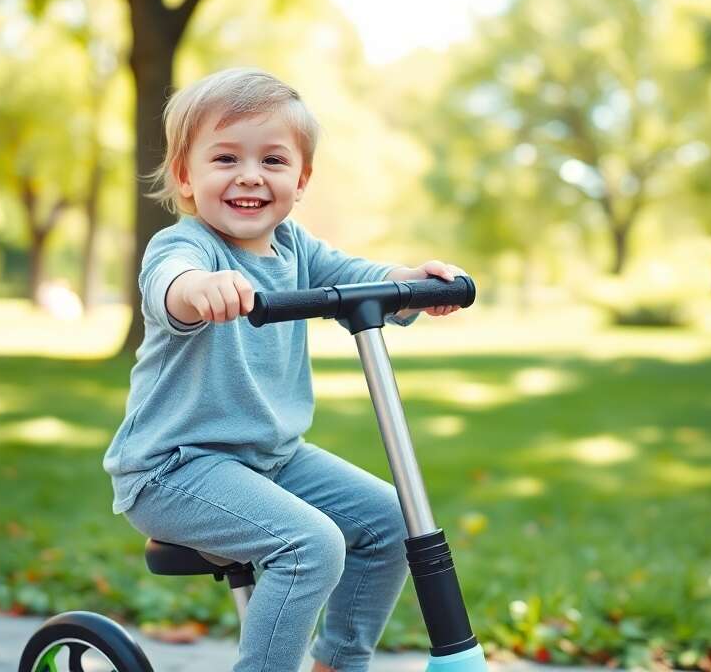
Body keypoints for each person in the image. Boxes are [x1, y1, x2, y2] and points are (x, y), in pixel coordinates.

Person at [103, 67, 465, 672]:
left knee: (390, 519)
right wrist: (199, 290)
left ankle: (338, 664)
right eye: (226, 158)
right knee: (312, 545)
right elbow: (170, 285)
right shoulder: (186, 248)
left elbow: (357, 276)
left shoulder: (295, 246)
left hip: (271, 458)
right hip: (173, 468)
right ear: (186, 175)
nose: (250, 175)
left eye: (272, 160)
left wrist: (411, 285)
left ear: (301, 179)